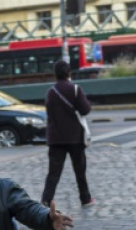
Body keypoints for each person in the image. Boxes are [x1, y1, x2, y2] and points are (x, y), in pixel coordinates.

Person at [41, 60, 94, 207]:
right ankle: (85, 198)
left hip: (56, 139)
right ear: (69, 73)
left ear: (55, 75)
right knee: (80, 171)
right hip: (75, 138)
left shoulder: (51, 92)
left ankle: (46, 199)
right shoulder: (75, 89)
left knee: (53, 173)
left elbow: (49, 113)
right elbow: (85, 110)